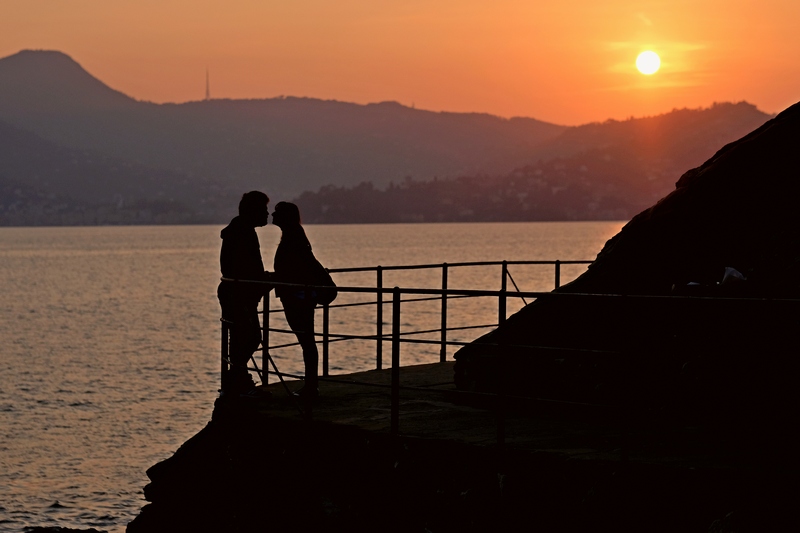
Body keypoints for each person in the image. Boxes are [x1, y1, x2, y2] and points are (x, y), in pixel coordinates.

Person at [217, 191, 271, 396]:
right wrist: (263, 280)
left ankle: (238, 380)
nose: (267, 214)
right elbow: (243, 268)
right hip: (239, 293)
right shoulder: (243, 232)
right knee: (249, 337)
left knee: (241, 339)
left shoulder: (239, 230)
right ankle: (237, 381)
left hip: (237, 292)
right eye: (264, 210)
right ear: (253, 211)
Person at [271, 202, 320, 399]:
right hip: (299, 295)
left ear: (285, 217)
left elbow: (295, 268)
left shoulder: (292, 239)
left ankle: (311, 386)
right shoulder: (295, 236)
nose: (272, 214)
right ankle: (311, 385)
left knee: (306, 341)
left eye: (277, 212)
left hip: (297, 296)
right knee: (307, 341)